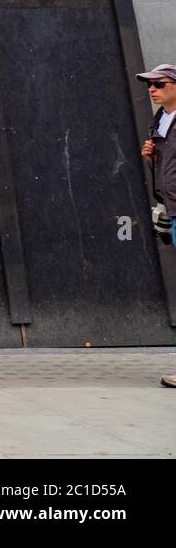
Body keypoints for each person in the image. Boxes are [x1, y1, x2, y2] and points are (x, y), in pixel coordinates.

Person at [136, 64, 176, 388]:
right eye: (150, 85)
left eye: (160, 84)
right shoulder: (160, 120)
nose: (153, 89)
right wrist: (153, 156)